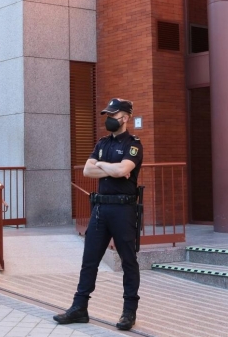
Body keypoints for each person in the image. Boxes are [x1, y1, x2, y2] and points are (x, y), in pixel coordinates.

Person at [54, 98, 144, 331]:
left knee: (128, 261)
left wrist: (102, 165)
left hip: (123, 209)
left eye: (113, 115)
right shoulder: (102, 143)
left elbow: (123, 170)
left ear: (125, 117)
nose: (109, 119)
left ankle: (129, 311)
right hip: (101, 209)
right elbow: (86, 170)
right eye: (107, 115)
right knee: (89, 260)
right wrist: (110, 168)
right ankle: (79, 308)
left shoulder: (133, 145)